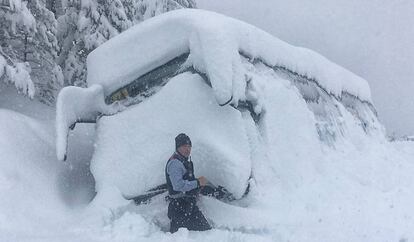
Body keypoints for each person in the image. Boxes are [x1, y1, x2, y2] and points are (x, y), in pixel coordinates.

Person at [165, 133, 212, 233]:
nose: (188, 149)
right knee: (182, 237)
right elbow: (178, 186)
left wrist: (197, 187)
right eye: (184, 146)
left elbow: (188, 180)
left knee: (206, 233)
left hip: (188, 205)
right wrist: (197, 183)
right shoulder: (175, 163)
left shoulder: (185, 161)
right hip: (179, 208)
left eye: (189, 146)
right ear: (178, 147)